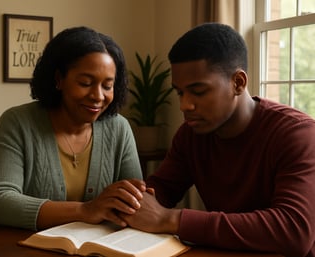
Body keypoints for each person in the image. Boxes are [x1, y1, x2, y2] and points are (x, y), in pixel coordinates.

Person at [120, 23, 315, 257]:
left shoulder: (298, 134)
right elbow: (161, 189)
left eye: (199, 91)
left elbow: (294, 231)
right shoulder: (190, 134)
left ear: (238, 83)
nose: (185, 106)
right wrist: (130, 201)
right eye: (180, 92)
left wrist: (170, 219)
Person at [0, 26, 145, 231]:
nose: (98, 96)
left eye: (107, 86)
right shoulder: (18, 122)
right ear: (58, 79)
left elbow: (135, 200)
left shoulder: (119, 128)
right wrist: (84, 210)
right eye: (85, 83)